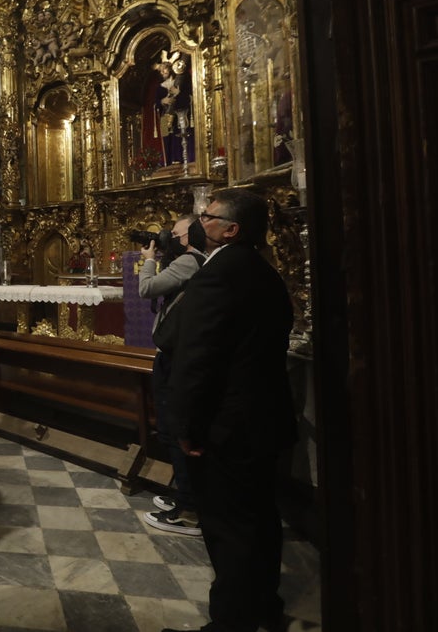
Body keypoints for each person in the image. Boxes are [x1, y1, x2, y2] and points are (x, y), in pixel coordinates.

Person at [161, 188, 295, 632]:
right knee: (259, 518)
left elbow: (197, 357)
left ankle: (230, 622)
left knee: (228, 527)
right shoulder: (263, 271)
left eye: (209, 215)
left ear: (231, 230)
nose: (202, 220)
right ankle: (263, 605)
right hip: (262, 421)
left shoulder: (221, 273)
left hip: (226, 427)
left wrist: (185, 427)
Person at [137, 216, 207, 536]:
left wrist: (149, 262)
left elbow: (147, 289)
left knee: (176, 429)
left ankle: (190, 507)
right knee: (171, 429)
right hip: (175, 354)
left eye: (174, 234)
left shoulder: (191, 262)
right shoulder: (188, 261)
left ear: (187, 238)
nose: (168, 239)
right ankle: (185, 495)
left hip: (177, 358)